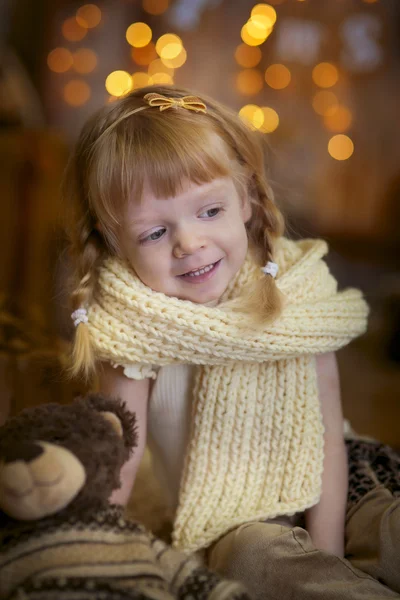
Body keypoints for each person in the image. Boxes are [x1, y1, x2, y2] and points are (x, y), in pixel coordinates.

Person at [64, 85, 399, 599]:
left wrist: (326, 551)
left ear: (244, 197)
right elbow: (119, 459)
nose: (189, 242)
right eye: (155, 233)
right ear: (114, 243)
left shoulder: (296, 295)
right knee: (256, 556)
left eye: (209, 211)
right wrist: (93, 557)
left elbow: (329, 440)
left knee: (389, 528)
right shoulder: (132, 328)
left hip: (345, 480)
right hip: (228, 521)